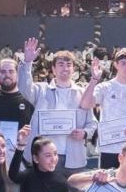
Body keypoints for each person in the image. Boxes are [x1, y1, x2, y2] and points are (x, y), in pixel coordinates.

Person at [18, 38, 97, 178]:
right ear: (53, 69)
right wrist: (27, 62)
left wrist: (85, 133)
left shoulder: (83, 93)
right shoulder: (40, 90)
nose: (65, 68)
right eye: (60, 64)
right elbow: (23, 89)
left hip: (74, 158)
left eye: (69, 65)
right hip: (44, 158)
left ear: (74, 69)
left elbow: (92, 123)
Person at [78, 48, 126, 169]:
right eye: (123, 63)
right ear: (115, 65)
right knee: (107, 184)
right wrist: (94, 80)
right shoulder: (105, 87)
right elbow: (85, 104)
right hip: (109, 147)